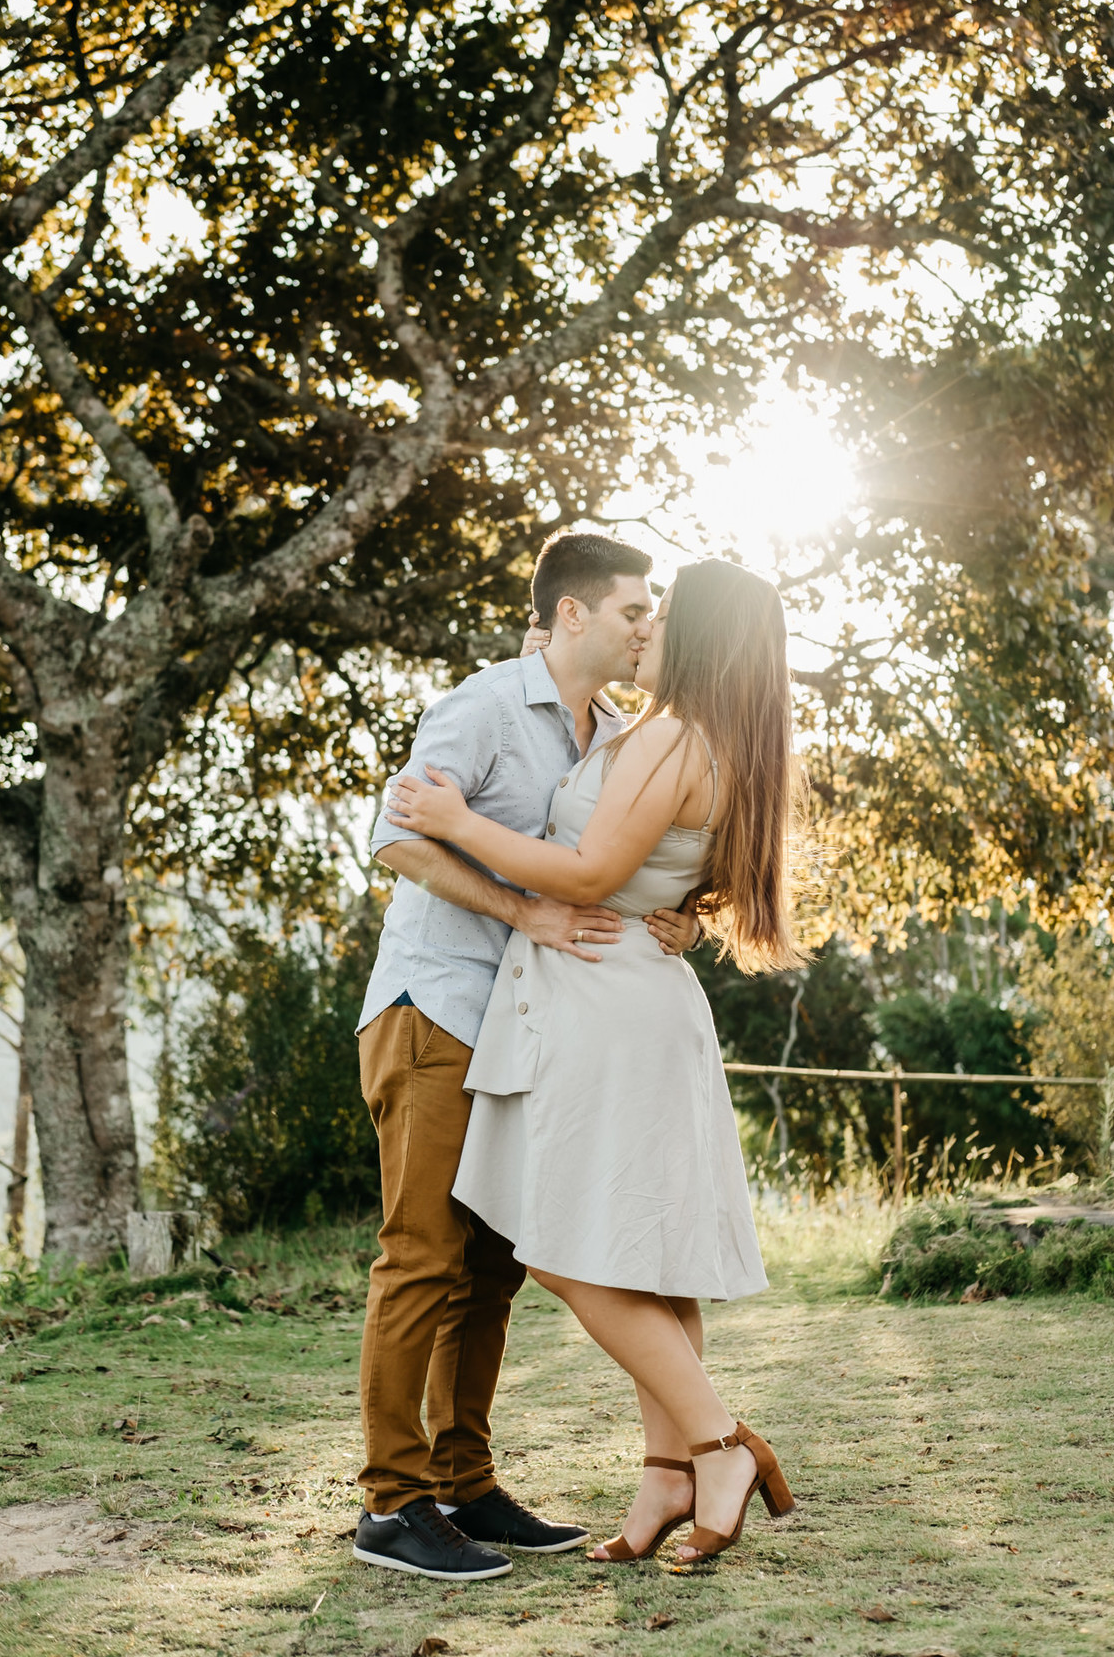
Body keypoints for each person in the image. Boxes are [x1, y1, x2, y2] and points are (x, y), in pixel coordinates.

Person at [386, 559, 803, 1568]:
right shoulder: (717, 741)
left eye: (662, 614)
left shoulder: (666, 734)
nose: (645, 627)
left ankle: (714, 1444)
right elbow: (671, 881)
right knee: (654, 1260)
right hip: (636, 998)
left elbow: (588, 874)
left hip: (603, 1004)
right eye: (634, 609)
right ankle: (667, 1479)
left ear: (696, 635)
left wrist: (456, 822)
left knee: (563, 1251)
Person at [352, 531, 700, 1582]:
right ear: (571, 615)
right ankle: (391, 1504)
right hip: (436, 1006)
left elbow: (615, 865)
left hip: (530, 1028)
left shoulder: (618, 730)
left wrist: (681, 919)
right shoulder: (485, 705)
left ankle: (464, 1482)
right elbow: (397, 836)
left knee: (494, 1268)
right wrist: (521, 911)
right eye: (635, 610)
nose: (650, 626)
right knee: (422, 1255)